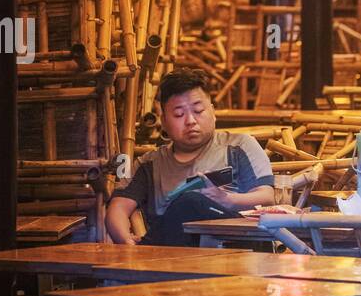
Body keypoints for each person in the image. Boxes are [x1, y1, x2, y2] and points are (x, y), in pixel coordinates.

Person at [106, 67, 277, 247]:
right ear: (164, 122)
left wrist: (227, 200)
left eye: (198, 110)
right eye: (179, 114)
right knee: (187, 205)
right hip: (174, 254)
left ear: (212, 111)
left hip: (238, 245)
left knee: (191, 202)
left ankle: (147, 251)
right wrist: (125, 240)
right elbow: (118, 207)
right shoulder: (149, 164)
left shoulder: (239, 146)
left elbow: (266, 197)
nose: (190, 121)